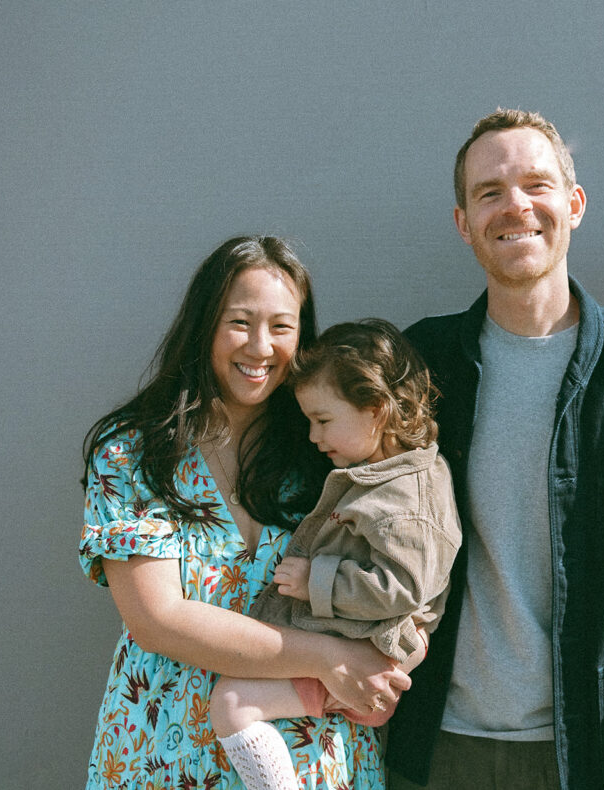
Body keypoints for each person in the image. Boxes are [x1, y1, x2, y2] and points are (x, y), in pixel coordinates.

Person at [385, 109, 604, 790]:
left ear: (574, 205)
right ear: (463, 223)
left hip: (589, 753)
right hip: (438, 746)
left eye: (536, 185)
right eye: (489, 192)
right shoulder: (423, 361)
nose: (515, 206)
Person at [80, 237, 410, 789]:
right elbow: (156, 619)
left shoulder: (321, 450)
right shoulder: (134, 450)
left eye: (282, 327)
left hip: (310, 760)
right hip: (164, 753)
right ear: (205, 323)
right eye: (240, 322)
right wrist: (331, 658)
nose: (261, 347)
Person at [209, 319, 462, 790]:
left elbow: (402, 588)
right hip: (356, 646)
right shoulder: (385, 476)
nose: (312, 436)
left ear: (376, 411)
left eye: (323, 420)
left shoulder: (408, 501)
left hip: (369, 653)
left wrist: (315, 581)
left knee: (231, 703)